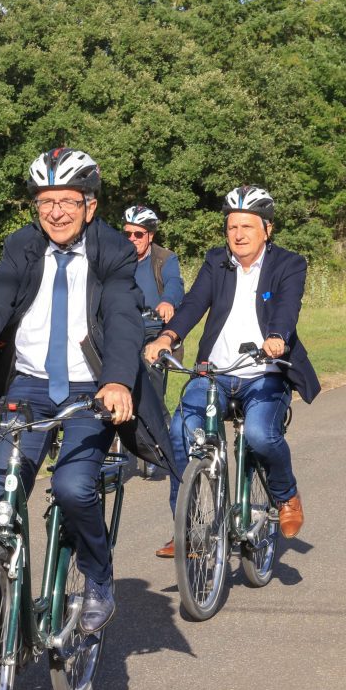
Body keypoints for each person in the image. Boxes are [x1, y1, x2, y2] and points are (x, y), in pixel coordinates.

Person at [0, 147, 173, 632]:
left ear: (90, 206)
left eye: (67, 201)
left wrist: (118, 380)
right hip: (30, 384)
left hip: (89, 389)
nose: (55, 212)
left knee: (74, 487)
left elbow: (122, 317)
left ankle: (98, 578)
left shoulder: (113, 252)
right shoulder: (23, 246)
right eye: (45, 202)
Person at [143, 185, 321, 558]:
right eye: (231, 227)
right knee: (179, 432)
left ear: (267, 229)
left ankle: (286, 494)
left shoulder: (289, 264)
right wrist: (168, 336)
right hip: (215, 373)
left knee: (259, 433)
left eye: (247, 227)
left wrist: (276, 336)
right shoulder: (216, 262)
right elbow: (192, 304)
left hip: (264, 372)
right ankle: (188, 527)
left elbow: (288, 307)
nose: (238, 235)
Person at [122, 205, 185, 339]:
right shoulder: (116, 259)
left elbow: (174, 281)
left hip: (155, 329)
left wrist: (167, 301)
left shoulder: (165, 258)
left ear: (150, 236)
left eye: (138, 234)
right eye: (127, 234)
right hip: (124, 328)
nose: (132, 238)